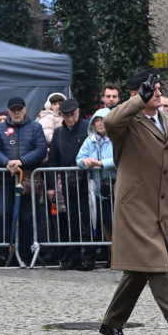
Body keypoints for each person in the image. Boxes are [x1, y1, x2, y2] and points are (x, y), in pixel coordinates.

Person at [98, 69, 168, 335]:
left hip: (162, 207)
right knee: (159, 267)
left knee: (140, 269)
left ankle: (112, 322)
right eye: (150, 89)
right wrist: (135, 101)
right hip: (135, 207)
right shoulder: (127, 122)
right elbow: (109, 121)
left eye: (158, 88)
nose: (157, 92)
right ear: (136, 94)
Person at [0, 97, 47, 266]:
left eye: (19, 109)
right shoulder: (0, 128)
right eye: (13, 109)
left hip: (27, 179)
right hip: (7, 179)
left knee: (27, 217)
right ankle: (2, 253)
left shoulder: (36, 127)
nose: (16, 112)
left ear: (25, 109)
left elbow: (41, 149)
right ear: (8, 111)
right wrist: (7, 163)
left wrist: (21, 161)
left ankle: (24, 253)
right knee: (1, 215)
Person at [48, 99, 92, 270]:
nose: (71, 119)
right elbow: (52, 161)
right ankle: (73, 255)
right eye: (67, 116)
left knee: (88, 218)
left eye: (73, 115)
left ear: (78, 112)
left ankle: (89, 256)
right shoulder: (59, 133)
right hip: (68, 180)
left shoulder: (87, 127)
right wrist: (51, 185)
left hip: (87, 180)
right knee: (71, 218)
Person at [77, 109, 116, 255]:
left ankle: (122, 253)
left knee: (118, 223)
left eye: (103, 119)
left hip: (117, 185)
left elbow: (121, 158)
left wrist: (100, 164)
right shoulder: (90, 140)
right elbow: (78, 159)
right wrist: (85, 161)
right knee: (105, 221)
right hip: (100, 189)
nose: (100, 123)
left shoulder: (117, 137)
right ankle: (111, 253)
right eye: (97, 120)